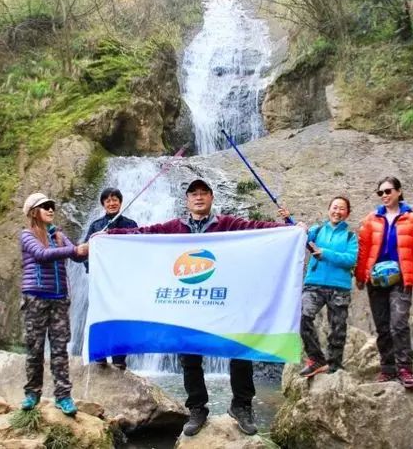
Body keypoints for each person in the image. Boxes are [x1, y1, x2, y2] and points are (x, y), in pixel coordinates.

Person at [105, 178, 306, 437]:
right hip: (190, 301)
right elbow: (144, 233)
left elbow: (258, 229)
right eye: (194, 194)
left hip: (225, 300)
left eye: (203, 193)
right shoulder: (174, 227)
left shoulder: (228, 224)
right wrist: (109, 235)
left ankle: (242, 405)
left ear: (211, 197)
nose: (198, 197)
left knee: (240, 349)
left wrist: (290, 229)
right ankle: (197, 408)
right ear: (187, 200)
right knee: (189, 356)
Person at [19, 192, 89, 415]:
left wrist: (91, 245)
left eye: (52, 206)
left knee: (60, 349)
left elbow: (77, 256)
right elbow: (41, 254)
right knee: (35, 348)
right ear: (33, 212)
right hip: (35, 297)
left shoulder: (59, 236)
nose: (51, 209)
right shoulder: (27, 235)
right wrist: (74, 250)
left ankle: (63, 396)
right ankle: (32, 394)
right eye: (45, 206)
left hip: (59, 299)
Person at [355, 177, 413, 389]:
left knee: (399, 324)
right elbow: (363, 249)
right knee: (382, 326)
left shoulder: (412, 219)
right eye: (381, 193)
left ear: (399, 191)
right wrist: (360, 276)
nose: (384, 196)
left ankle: (405, 369)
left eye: (388, 191)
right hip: (376, 280)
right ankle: (387, 369)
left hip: (401, 278)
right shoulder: (372, 219)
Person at [280, 197, 358, 378]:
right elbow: (300, 238)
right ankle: (316, 359)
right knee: (302, 316)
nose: (337, 211)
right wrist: (290, 221)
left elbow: (351, 259)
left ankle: (334, 366)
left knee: (337, 328)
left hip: (340, 286)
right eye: (335, 207)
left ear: (347, 213)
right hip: (314, 283)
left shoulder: (350, 236)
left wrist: (325, 253)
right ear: (329, 209)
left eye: (342, 209)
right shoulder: (318, 230)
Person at [81, 187, 138, 370]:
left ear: (120, 202)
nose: (112, 203)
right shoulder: (96, 226)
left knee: (121, 317)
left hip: (123, 281)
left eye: (115, 200)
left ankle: (119, 359)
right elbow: (86, 250)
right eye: (108, 200)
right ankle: (100, 355)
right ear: (103, 204)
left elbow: (138, 250)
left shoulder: (130, 224)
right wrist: (92, 270)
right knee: (100, 315)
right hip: (101, 281)